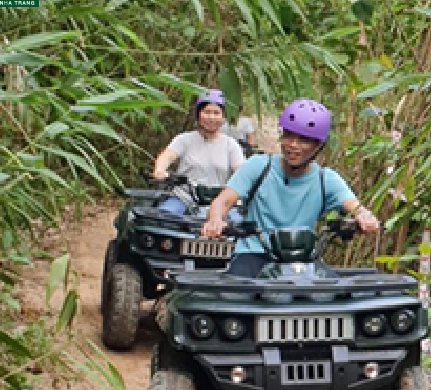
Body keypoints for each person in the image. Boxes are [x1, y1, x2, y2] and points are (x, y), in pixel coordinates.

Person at [200, 98, 380, 277]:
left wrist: (364, 217)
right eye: (289, 135)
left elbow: (355, 206)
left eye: (304, 140)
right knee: (235, 294)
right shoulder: (259, 166)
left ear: (318, 146)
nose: (293, 145)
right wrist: (215, 220)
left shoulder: (325, 179)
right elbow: (223, 202)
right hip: (254, 252)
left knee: (335, 295)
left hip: (303, 260)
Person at [152, 88, 245, 216]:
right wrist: (160, 170)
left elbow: (241, 172)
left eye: (216, 113)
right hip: (184, 198)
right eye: (207, 112)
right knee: (161, 220)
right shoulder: (184, 139)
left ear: (223, 117)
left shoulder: (231, 145)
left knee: (239, 226)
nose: (211, 117)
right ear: (198, 115)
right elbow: (167, 155)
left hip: (220, 201)